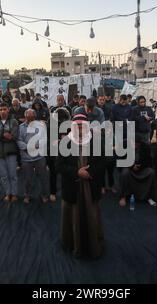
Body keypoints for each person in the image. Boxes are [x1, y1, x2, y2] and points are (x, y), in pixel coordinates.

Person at [55, 114, 105, 259]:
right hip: (72, 187)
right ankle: (72, 243)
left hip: (90, 186)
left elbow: (103, 162)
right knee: (73, 215)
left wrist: (89, 172)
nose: (80, 128)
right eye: (77, 125)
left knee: (91, 214)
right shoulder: (65, 142)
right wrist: (76, 172)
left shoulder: (96, 141)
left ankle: (93, 244)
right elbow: (59, 165)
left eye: (82, 125)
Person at [0, 102, 19, 202]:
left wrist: (1, 136)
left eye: (5, 109)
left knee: (13, 174)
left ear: (8, 109)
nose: (3, 111)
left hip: (11, 152)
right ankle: (7, 193)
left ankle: (14, 194)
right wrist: (2, 134)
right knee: (4, 176)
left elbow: (14, 136)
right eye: (1, 109)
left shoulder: (13, 121)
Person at [17, 109, 49, 204]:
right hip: (26, 158)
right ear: (25, 117)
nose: (30, 120)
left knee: (43, 177)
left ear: (35, 117)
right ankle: (27, 195)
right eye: (28, 118)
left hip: (39, 157)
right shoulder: (20, 128)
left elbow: (45, 138)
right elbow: (18, 140)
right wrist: (28, 146)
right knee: (27, 179)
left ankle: (44, 195)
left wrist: (37, 145)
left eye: (32, 118)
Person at [118, 140, 157, 207]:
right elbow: (120, 160)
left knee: (151, 172)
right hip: (129, 168)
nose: (135, 145)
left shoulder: (145, 147)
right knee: (124, 173)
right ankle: (123, 197)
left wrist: (141, 166)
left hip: (142, 169)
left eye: (137, 144)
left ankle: (149, 197)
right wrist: (132, 166)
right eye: (133, 143)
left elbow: (149, 161)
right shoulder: (124, 145)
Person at [47, 107, 72, 202]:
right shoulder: (51, 122)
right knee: (53, 173)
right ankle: (53, 192)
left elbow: (71, 136)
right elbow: (49, 137)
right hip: (53, 151)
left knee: (66, 172)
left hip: (66, 150)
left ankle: (67, 191)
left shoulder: (69, 122)